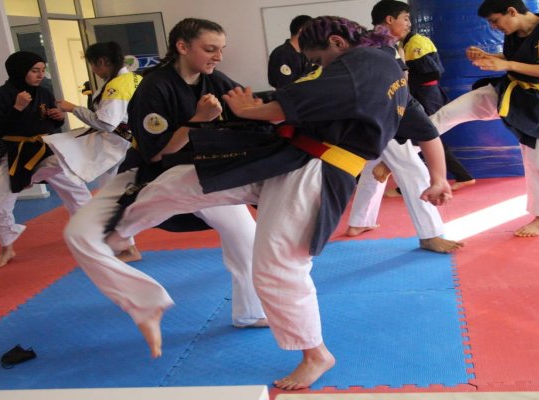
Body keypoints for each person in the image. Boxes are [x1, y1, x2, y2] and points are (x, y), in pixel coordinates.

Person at [88, 16, 447, 390]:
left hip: (319, 170)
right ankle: (120, 233)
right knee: (180, 181)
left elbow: (288, 106)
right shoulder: (385, 74)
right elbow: (426, 130)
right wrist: (437, 177)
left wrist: (248, 110)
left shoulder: (365, 62)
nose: (319, 67)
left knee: (278, 264)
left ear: (339, 43)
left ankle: (316, 354)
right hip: (286, 155)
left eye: (319, 59)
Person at [63, 18, 269, 347]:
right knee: (80, 234)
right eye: (210, 49)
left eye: (221, 50)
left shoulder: (214, 80)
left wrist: (258, 109)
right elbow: (157, 153)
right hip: (149, 176)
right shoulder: (154, 87)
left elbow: (248, 107)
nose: (218, 57)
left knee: (247, 237)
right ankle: (145, 302)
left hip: (200, 175)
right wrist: (196, 121)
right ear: (182, 47)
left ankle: (250, 311)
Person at [430, 0, 539, 237]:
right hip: (507, 90)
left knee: (537, 161)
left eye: (495, 21)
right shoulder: (513, 32)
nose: (494, 27)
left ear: (512, 11)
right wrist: (489, 56)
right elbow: (514, 57)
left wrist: (506, 63)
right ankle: (407, 147)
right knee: (447, 113)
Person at [345, 0, 463, 254]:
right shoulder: (373, 46)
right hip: (383, 116)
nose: (409, 24)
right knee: (413, 170)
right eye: (405, 18)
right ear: (389, 19)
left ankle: (359, 222)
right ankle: (430, 235)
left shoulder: (387, 45)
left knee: (373, 170)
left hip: (380, 115)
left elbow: (402, 83)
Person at [0, 51, 92, 268]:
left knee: (77, 191)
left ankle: (90, 236)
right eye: (35, 71)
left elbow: (51, 124)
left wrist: (58, 118)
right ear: (20, 71)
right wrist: (17, 108)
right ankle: (7, 247)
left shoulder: (43, 92)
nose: (40, 75)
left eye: (43, 70)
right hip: (16, 154)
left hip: (46, 150)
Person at [43, 41, 142, 262]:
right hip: (127, 144)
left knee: (112, 198)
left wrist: (73, 109)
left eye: (93, 65)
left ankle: (127, 247)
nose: (94, 70)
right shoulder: (133, 79)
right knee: (112, 196)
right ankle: (118, 243)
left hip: (117, 147)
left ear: (102, 62)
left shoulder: (118, 86)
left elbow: (106, 123)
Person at [403, 22, 476, 191]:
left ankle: (457, 176)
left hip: (427, 94)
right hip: (424, 93)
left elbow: (433, 72)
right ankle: (462, 176)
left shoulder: (416, 42)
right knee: (427, 137)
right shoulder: (407, 43)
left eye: (406, 19)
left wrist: (407, 82)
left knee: (425, 136)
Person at [267, 15, 315, 89]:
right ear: (301, 31)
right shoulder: (282, 54)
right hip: (292, 96)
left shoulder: (304, 53)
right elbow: (285, 86)